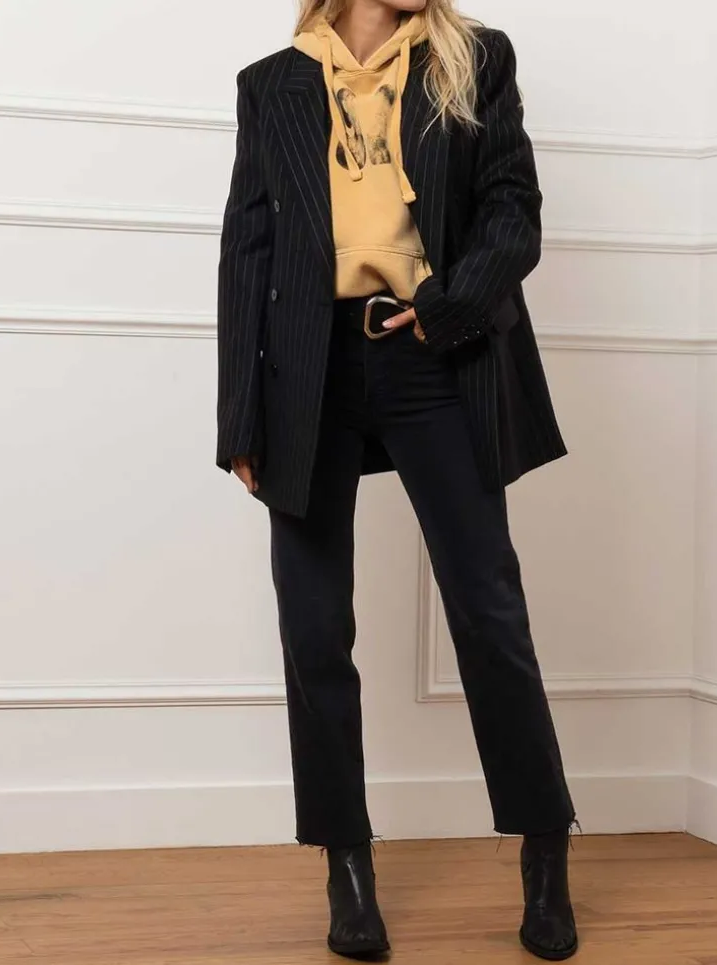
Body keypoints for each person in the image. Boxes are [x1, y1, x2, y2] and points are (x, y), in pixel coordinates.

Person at [216, 0, 578, 958]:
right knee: (313, 626)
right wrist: (240, 416)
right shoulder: (271, 85)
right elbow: (247, 248)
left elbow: (512, 210)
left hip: (433, 352)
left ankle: (545, 852)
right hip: (308, 370)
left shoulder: (474, 59)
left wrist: (448, 307)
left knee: (489, 609)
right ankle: (346, 865)